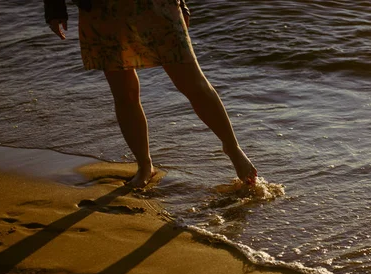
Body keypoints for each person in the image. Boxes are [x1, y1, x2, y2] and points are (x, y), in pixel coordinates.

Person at [44, 0, 257, 187]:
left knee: (193, 83)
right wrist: (54, 8)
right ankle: (145, 166)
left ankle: (233, 149)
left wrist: (181, 4)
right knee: (124, 93)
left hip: (155, 4)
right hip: (101, 7)